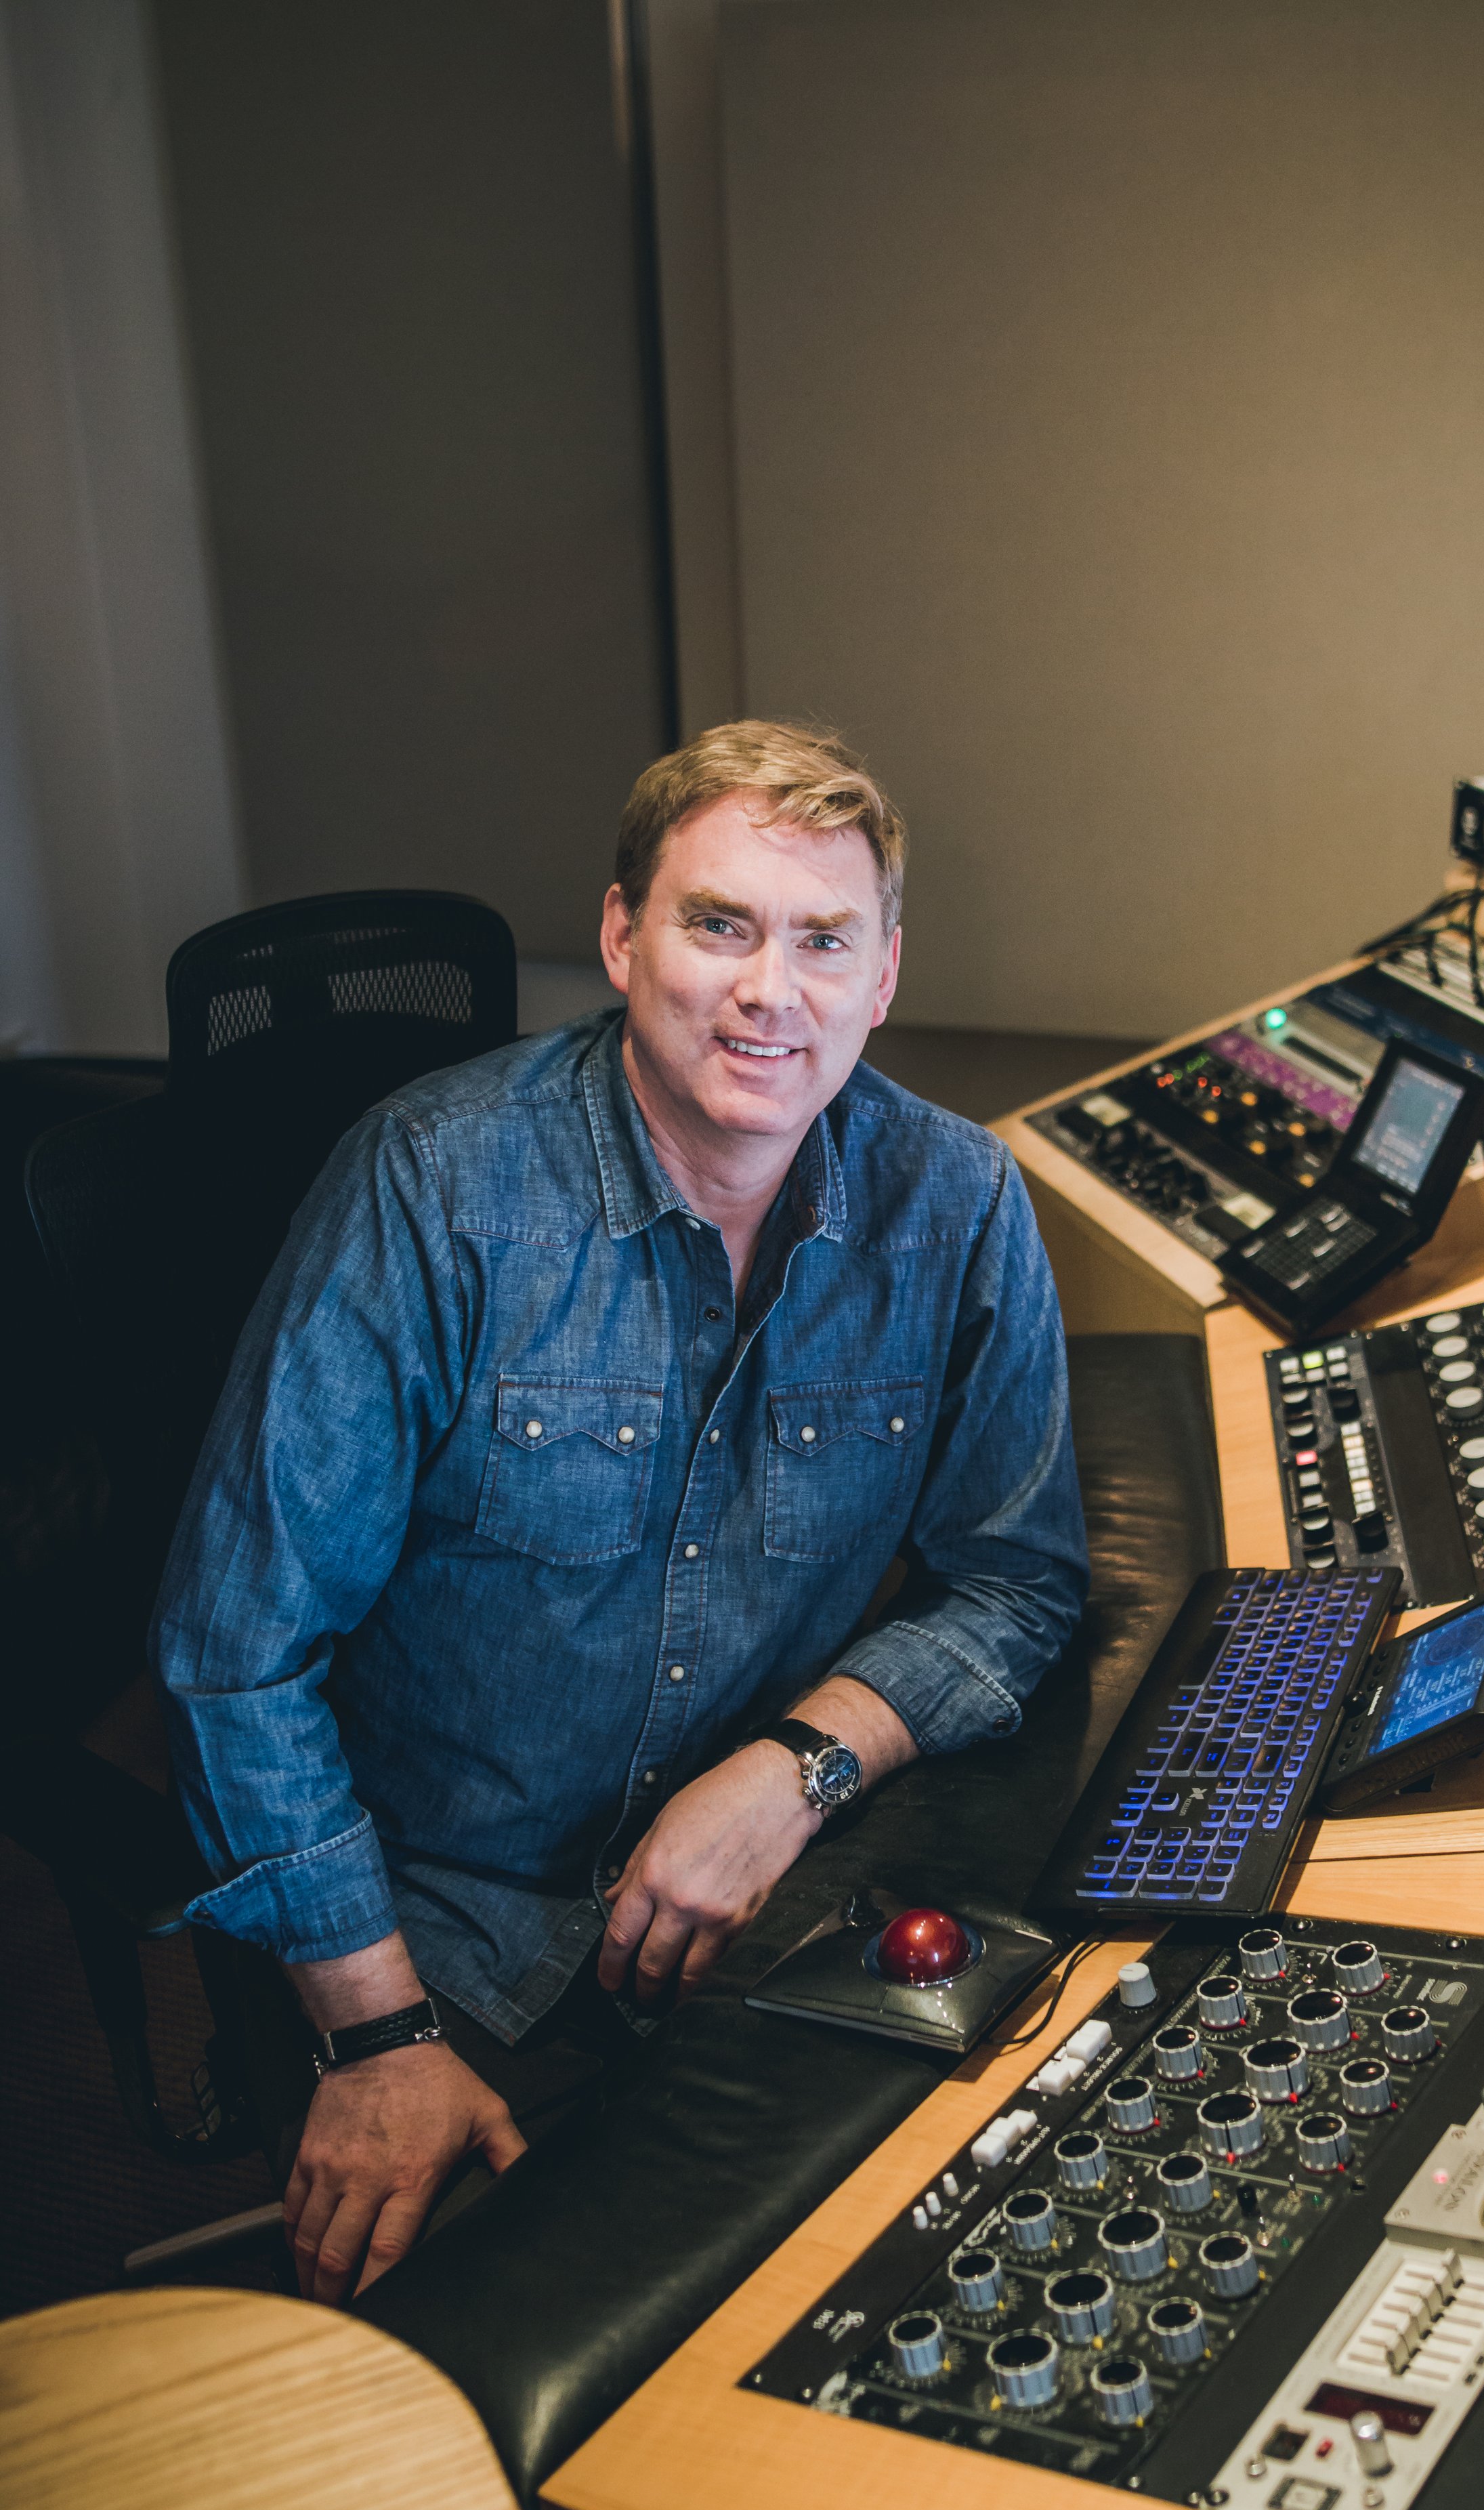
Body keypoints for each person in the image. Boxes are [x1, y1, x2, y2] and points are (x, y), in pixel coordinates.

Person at [152, 720, 1086, 2305]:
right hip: (435, 1923)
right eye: (717, 923)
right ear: (618, 938)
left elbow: (1018, 1581)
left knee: (963, 2262)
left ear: (882, 975)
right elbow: (233, 1658)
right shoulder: (432, 1187)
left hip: (758, 1889)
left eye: (822, 941)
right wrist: (376, 2035)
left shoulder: (955, 1200)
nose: (767, 991)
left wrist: (794, 1771)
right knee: (475, 2371)